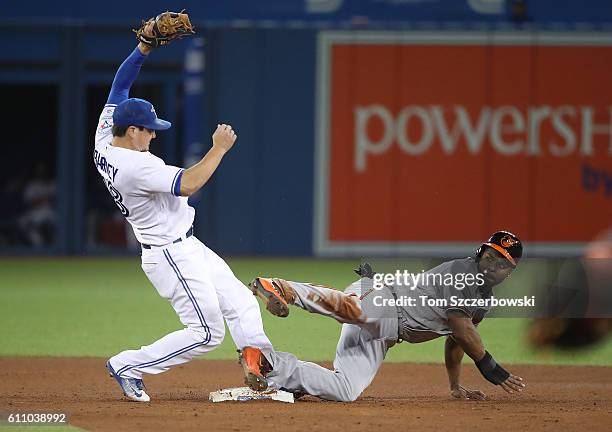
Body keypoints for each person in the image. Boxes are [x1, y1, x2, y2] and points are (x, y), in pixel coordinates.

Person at [95, 19, 282, 402]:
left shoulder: (105, 137)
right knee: (206, 332)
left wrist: (143, 48)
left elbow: (119, 86)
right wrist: (219, 148)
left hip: (186, 246)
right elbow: (190, 183)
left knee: (242, 303)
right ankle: (129, 365)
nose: (153, 134)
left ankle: (263, 372)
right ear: (132, 132)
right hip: (169, 253)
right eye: (148, 130)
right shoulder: (137, 166)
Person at [251, 231, 527, 402]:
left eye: (502, 262)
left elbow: (459, 338)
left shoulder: (482, 300)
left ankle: (271, 365)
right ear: (480, 254)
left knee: (346, 390)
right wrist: (490, 367)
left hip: (385, 332)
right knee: (352, 310)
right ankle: (282, 288)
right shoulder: (462, 273)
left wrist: (455, 385)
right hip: (385, 302)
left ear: (510, 272)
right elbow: (463, 330)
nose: (493, 265)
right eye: (490, 256)